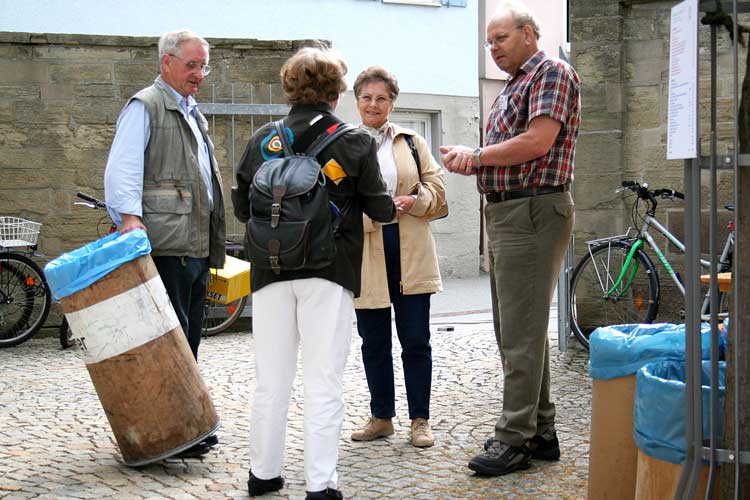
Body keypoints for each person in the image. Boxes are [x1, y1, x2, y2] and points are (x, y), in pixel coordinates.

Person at [233, 47, 396, 500]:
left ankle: (263, 474)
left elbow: (242, 207)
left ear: (289, 87)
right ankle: (321, 485)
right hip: (329, 269)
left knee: (271, 380)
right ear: (338, 90)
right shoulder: (354, 141)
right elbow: (381, 209)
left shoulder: (263, 139)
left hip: (269, 269)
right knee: (324, 379)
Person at [440, 0, 579, 477]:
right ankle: (540, 431)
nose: (493, 48)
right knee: (518, 330)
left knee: (519, 335)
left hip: (533, 209)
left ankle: (513, 436)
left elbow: (537, 142)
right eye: (489, 42)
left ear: (528, 33)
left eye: (500, 38)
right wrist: (474, 158)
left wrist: (475, 156)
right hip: (509, 212)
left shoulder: (550, 73)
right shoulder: (516, 82)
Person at [104, 29, 226, 457]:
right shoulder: (147, 106)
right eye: (191, 65)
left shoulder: (191, 111)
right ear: (167, 63)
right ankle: (172, 432)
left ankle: (186, 426)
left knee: (189, 338)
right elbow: (122, 167)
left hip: (193, 243)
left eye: (203, 66)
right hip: (165, 243)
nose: (199, 74)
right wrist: (130, 219)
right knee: (167, 343)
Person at [348, 67, 447, 448]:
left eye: (382, 98)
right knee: (373, 341)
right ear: (356, 101)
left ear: (392, 103)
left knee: (416, 339)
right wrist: (370, 212)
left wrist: (415, 200)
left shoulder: (411, 142)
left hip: (410, 249)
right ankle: (381, 417)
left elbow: (438, 190)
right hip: (366, 253)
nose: (374, 104)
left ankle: (420, 420)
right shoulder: (343, 142)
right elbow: (333, 201)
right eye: (367, 97)